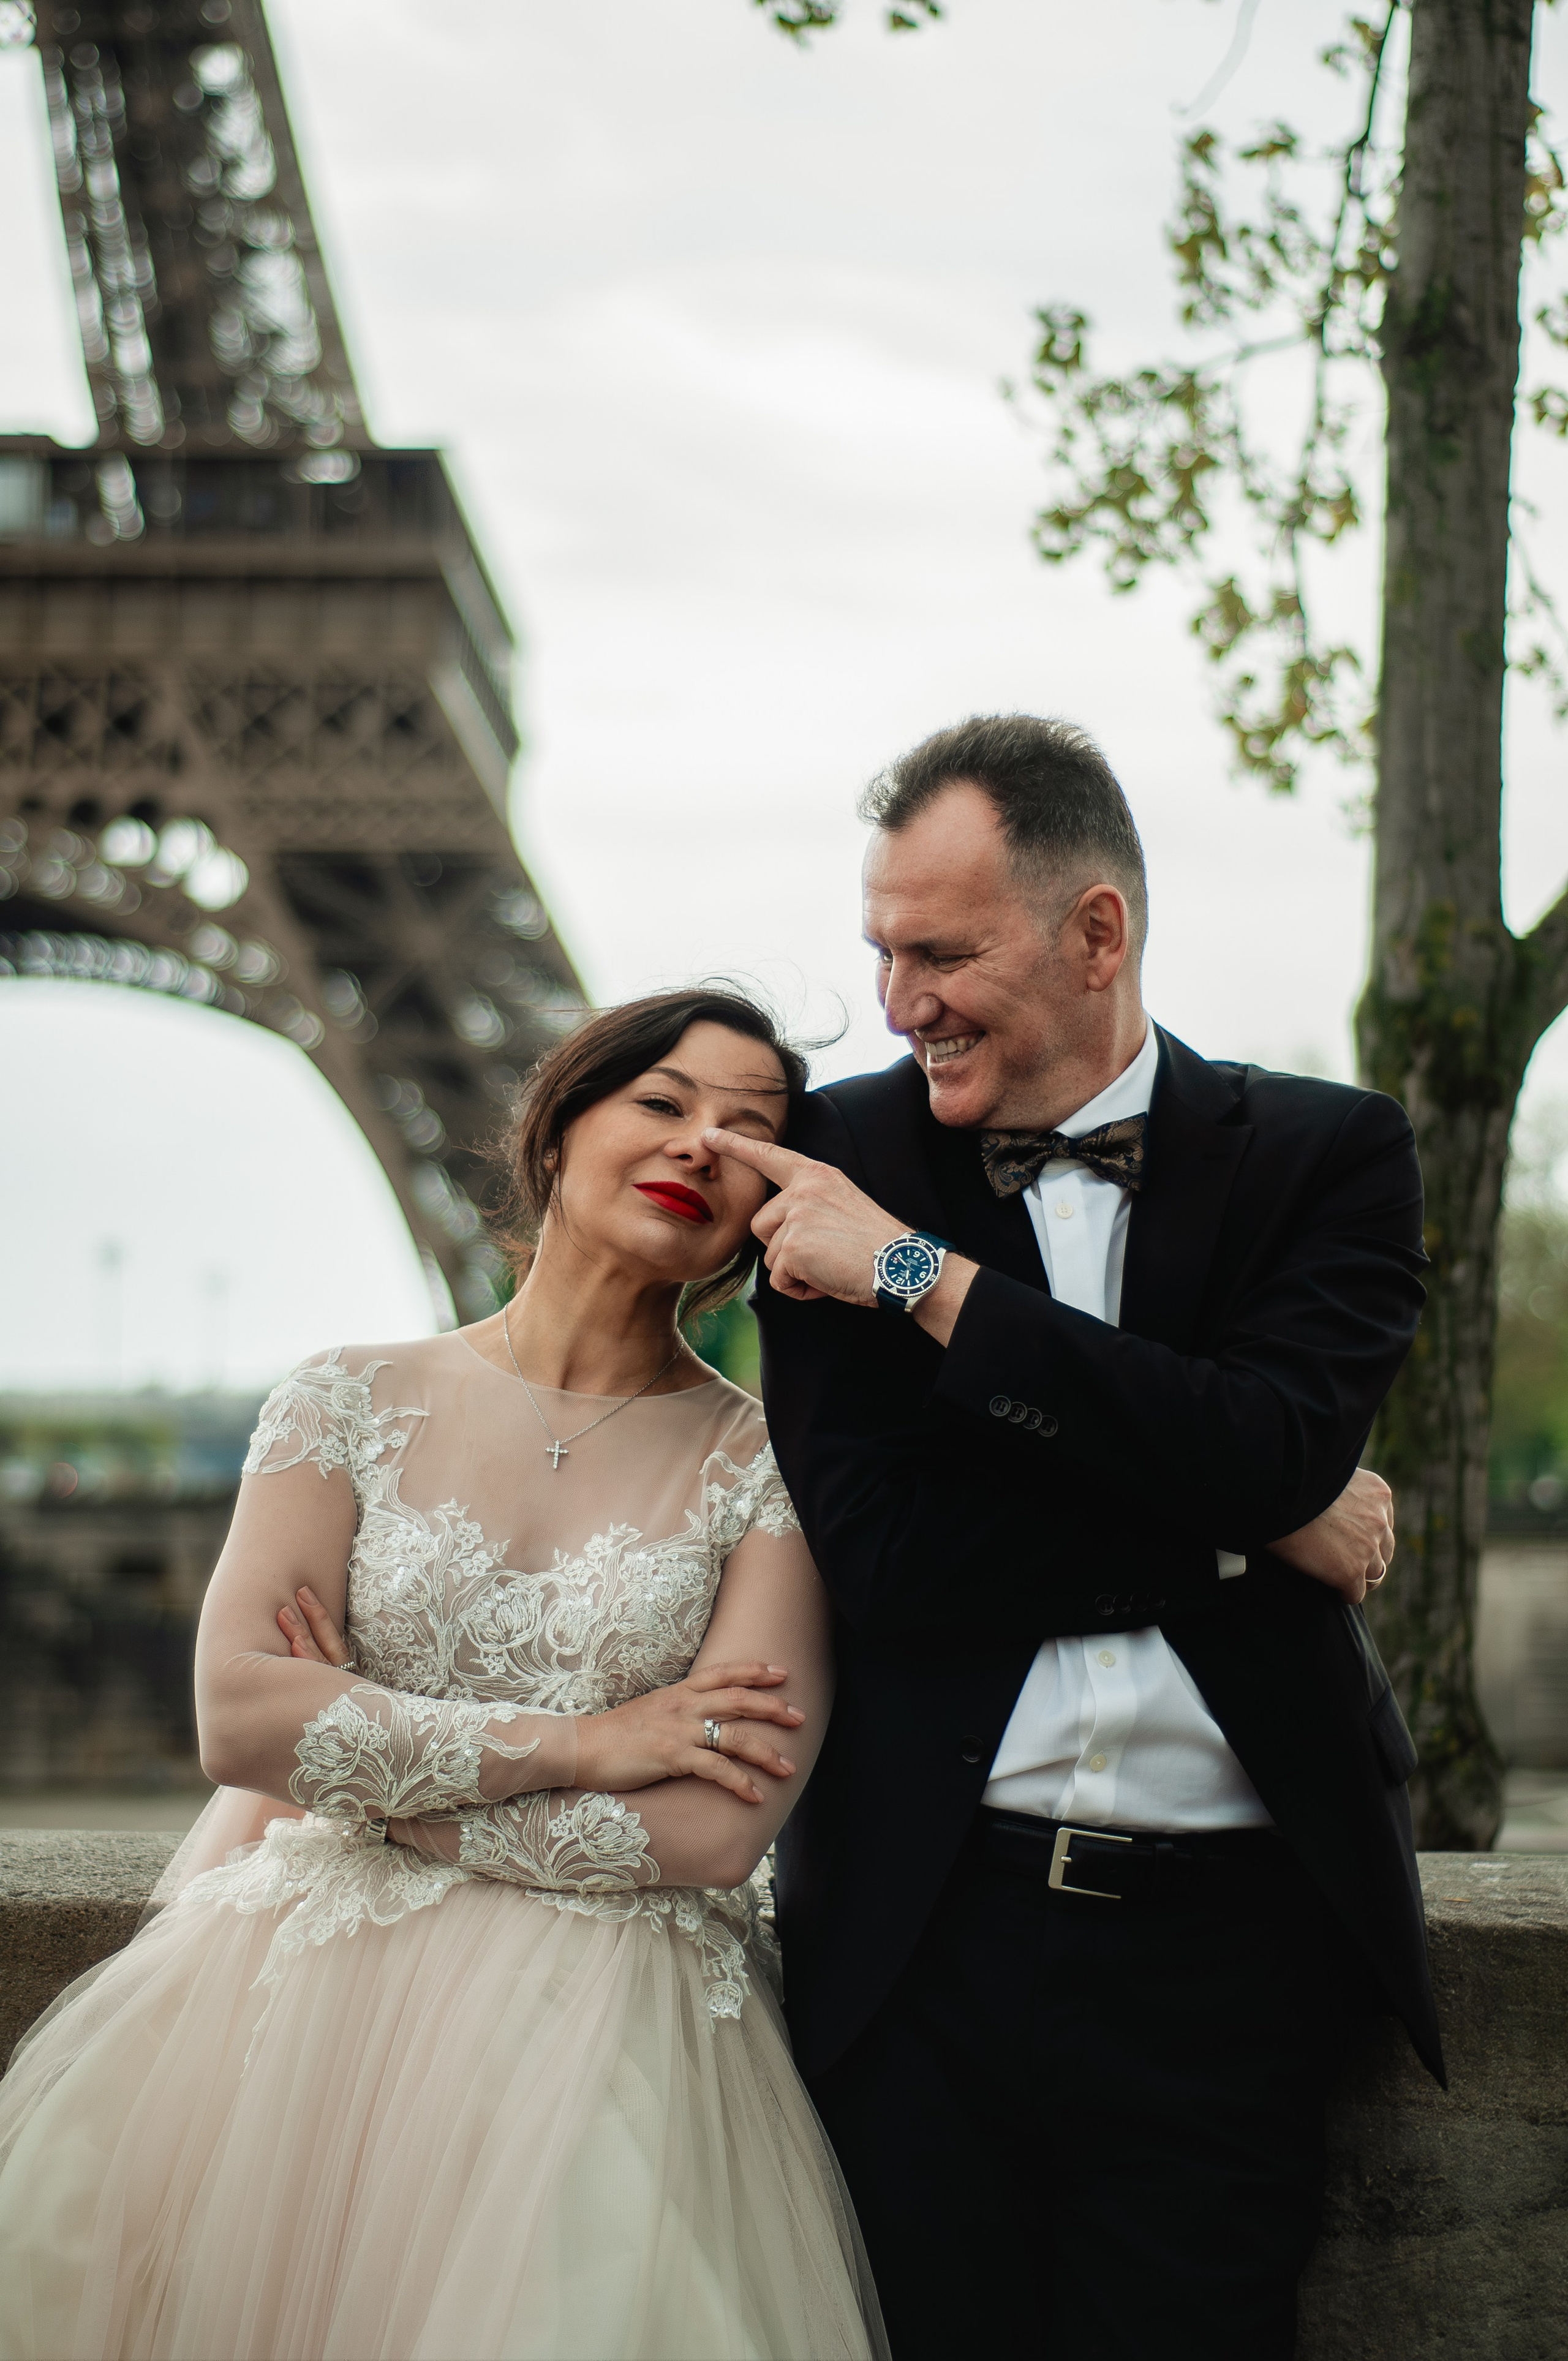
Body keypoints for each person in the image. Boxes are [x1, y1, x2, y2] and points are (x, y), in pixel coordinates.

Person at [0, 987, 888, 2361]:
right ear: (557, 1124)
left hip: (597, 2041)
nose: (704, 1141)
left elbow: (713, 1827)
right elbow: (240, 1714)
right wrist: (585, 1743)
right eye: (662, 1101)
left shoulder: (769, 1466)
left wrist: (361, 1759)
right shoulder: (342, 1395)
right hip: (289, 2026)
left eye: (751, 1130)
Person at [703, 715, 1435, 2361]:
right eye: (883, 951)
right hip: (925, 1941)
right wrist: (1242, 1534)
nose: (897, 1002)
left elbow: (1272, 1449)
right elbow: (887, 1554)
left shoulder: (1333, 1156)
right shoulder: (844, 1153)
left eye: (941, 951)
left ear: (1095, 929)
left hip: (1235, 1961)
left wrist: (922, 1284)